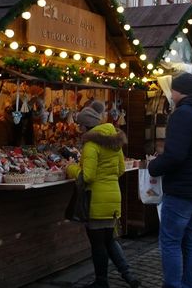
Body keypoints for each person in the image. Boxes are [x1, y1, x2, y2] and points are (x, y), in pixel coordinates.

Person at [148, 72, 192, 288]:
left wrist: (154, 166)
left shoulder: (183, 114)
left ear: (177, 91)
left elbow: (176, 155)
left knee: (170, 242)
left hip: (182, 190)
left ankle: (173, 285)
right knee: (191, 240)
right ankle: (190, 284)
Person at [67, 101, 140, 288]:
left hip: (96, 200)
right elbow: (121, 169)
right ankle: (128, 275)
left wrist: (71, 168)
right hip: (114, 197)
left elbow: (88, 176)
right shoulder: (115, 142)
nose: (79, 128)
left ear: (87, 125)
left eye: (81, 125)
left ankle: (101, 282)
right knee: (109, 239)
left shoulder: (91, 145)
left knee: (98, 244)